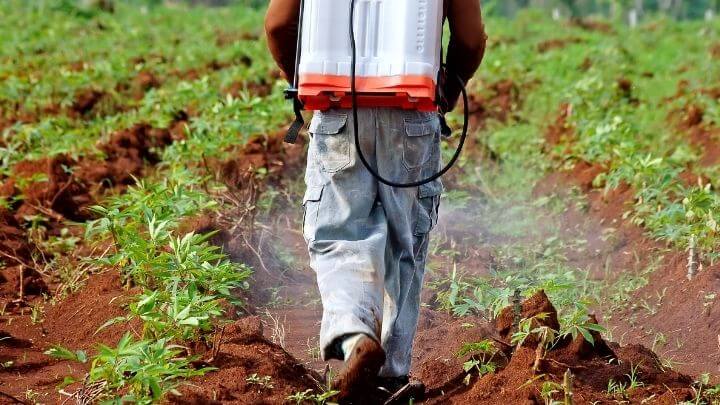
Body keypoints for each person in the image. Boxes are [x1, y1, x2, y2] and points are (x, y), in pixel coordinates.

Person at [265, 1, 487, 402]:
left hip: (336, 107)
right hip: (413, 112)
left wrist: (297, 76)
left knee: (337, 233)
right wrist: (447, 92)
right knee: (404, 244)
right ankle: (388, 378)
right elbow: (470, 40)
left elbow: (279, 24)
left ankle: (354, 334)